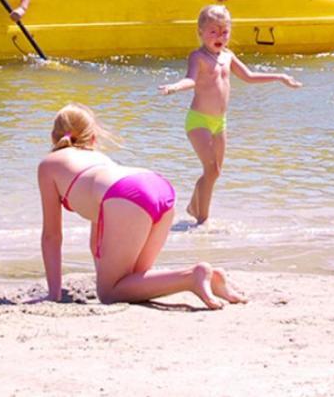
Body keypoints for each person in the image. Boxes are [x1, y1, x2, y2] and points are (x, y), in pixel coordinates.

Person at [37, 104, 246, 307]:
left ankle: (192, 277)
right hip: (156, 186)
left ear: (53, 137)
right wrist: (107, 273)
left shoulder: (49, 164)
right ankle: (211, 278)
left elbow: (52, 236)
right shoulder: (100, 158)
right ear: (93, 138)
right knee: (132, 283)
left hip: (126, 195)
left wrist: (54, 294)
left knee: (108, 294)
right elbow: (98, 239)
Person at [159, 5, 301, 224]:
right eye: (213, 32)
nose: (219, 37)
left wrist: (280, 76)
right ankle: (202, 220)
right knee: (210, 168)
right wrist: (175, 87)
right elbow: (191, 79)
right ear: (200, 32)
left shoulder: (228, 56)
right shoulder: (198, 57)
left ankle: (193, 206)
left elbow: (249, 76)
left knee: (215, 173)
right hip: (199, 121)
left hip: (220, 122)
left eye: (224, 32)